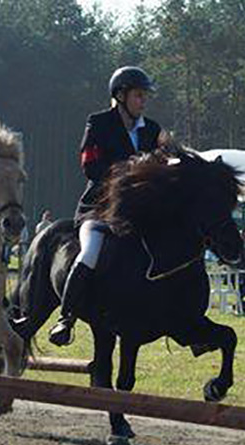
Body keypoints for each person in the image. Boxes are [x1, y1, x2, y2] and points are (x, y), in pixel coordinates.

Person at [49, 66, 163, 346]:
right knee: (89, 253)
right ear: (121, 95)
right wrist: (130, 174)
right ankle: (66, 317)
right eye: (138, 95)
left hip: (138, 213)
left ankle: (180, 316)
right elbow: (90, 166)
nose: (143, 101)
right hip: (100, 208)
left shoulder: (153, 130)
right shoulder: (98, 123)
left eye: (144, 96)